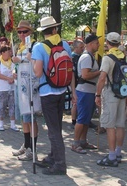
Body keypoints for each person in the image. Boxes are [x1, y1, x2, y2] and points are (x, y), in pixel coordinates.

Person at [32, 16, 76, 175]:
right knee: (56, 126)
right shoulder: (64, 44)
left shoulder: (38, 47)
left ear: (43, 31)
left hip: (47, 92)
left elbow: (37, 73)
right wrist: (73, 92)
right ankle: (53, 156)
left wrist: (32, 62)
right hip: (62, 91)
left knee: (53, 130)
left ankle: (60, 164)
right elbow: (70, 70)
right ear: (55, 29)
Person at [94, 32, 127, 167]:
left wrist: (97, 95)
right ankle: (118, 152)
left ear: (108, 43)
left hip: (110, 93)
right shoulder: (124, 57)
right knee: (120, 124)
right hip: (122, 92)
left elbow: (102, 78)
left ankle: (112, 156)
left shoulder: (108, 58)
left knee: (109, 125)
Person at [11, 20, 39, 161]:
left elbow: (34, 62)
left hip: (30, 85)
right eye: (19, 32)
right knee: (23, 117)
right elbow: (15, 64)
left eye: (25, 31)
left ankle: (32, 150)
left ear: (30, 32)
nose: (22, 34)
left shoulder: (34, 45)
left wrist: (20, 61)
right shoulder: (19, 46)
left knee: (30, 118)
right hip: (19, 84)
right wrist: (14, 71)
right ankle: (26, 144)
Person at [71, 34, 100, 154]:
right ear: (90, 44)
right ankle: (76, 143)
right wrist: (100, 72)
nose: (98, 45)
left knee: (86, 118)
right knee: (82, 118)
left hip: (89, 90)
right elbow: (85, 75)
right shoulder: (87, 57)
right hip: (85, 91)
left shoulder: (90, 57)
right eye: (97, 43)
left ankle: (83, 141)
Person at [0, 45, 19, 131]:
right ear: (3, 53)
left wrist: (14, 75)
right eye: (9, 51)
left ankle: (13, 124)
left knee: (12, 105)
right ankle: (1, 124)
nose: (10, 53)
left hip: (11, 87)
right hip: (1, 88)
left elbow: (14, 69)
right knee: (2, 105)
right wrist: (7, 78)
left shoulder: (12, 61)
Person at [69, 39, 85, 129]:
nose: (83, 49)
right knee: (75, 102)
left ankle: (83, 119)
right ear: (75, 48)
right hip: (75, 82)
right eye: (81, 47)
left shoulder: (82, 56)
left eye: (83, 47)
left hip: (81, 82)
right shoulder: (72, 57)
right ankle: (74, 121)